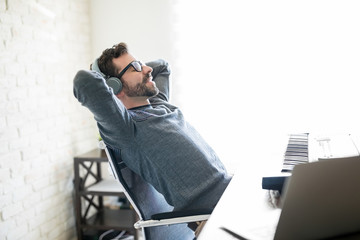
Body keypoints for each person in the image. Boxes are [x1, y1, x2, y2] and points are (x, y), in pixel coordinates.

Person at [73, 42, 232, 213]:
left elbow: (163, 66)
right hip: (214, 212)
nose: (148, 69)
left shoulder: (159, 104)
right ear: (114, 86)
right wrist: (107, 79)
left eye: (141, 64)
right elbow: (84, 81)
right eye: (135, 68)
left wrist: (137, 67)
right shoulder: (125, 128)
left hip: (230, 191)